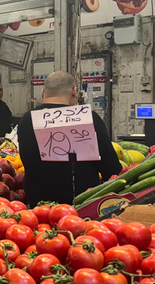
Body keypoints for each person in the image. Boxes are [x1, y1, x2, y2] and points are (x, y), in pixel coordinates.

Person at [17, 71, 121, 205]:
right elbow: (111, 169)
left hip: (40, 208)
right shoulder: (89, 119)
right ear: (74, 92)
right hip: (83, 205)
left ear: (43, 93)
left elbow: (27, 159)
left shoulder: (27, 120)